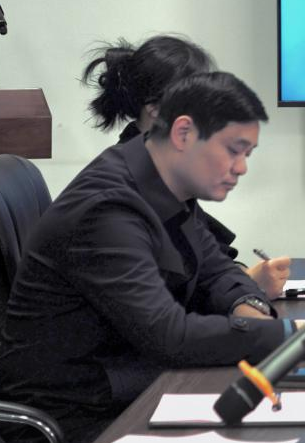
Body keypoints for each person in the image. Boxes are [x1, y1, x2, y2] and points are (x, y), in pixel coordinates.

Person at [0, 72, 305, 443]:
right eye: (234, 150)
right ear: (183, 133)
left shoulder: (164, 182)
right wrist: (304, 334)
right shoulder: (108, 209)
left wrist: (248, 305)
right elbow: (168, 335)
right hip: (72, 421)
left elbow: (215, 267)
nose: (242, 168)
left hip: (132, 385)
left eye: (248, 153)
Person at [82, 34, 290, 298]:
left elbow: (207, 259)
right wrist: (249, 282)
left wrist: (241, 280)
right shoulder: (125, 189)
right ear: (155, 109)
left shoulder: (162, 170)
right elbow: (164, 298)